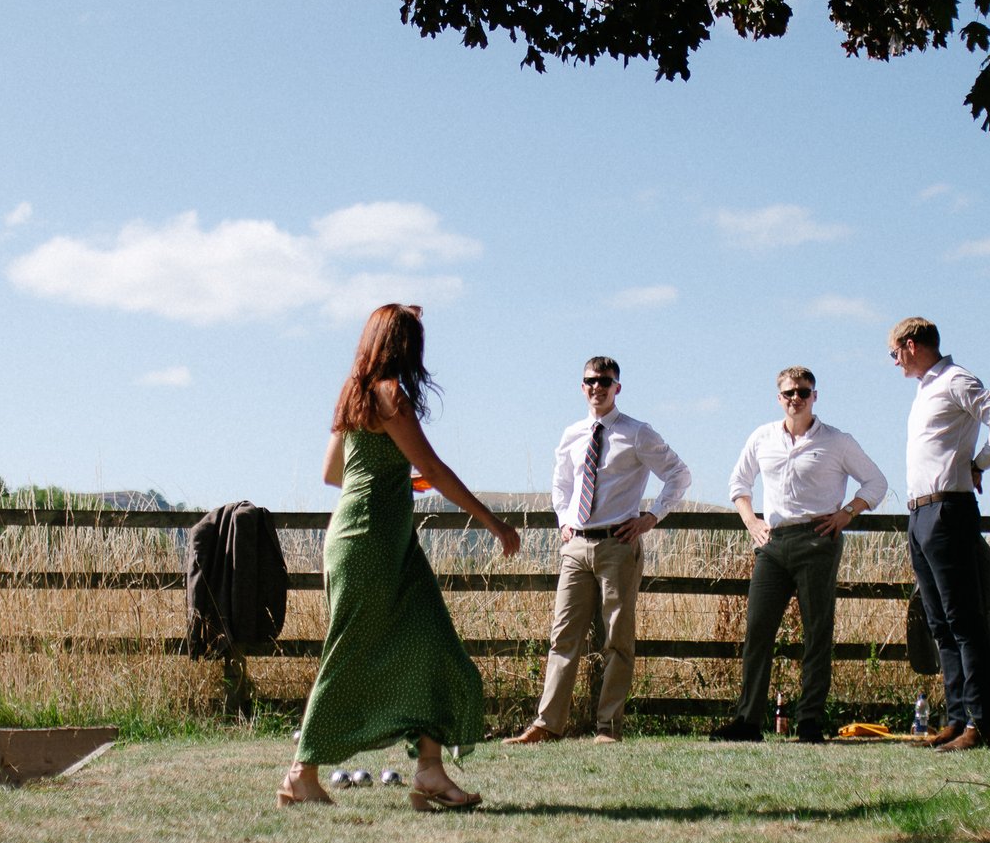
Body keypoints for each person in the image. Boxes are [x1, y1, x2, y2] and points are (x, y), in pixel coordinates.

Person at [281, 303, 521, 811]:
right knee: (349, 652)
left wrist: (391, 476)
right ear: (403, 346)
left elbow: (333, 474)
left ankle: (430, 771)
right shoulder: (391, 395)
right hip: (369, 540)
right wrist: (494, 522)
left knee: (432, 642)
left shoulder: (354, 397)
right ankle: (301, 773)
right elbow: (431, 466)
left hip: (380, 539)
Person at [507, 356, 692, 745]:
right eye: (591, 381)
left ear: (617, 387)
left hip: (618, 545)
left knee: (617, 639)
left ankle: (608, 727)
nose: (598, 387)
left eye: (606, 381)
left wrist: (651, 517)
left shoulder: (637, 433)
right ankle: (547, 725)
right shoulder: (572, 434)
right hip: (576, 547)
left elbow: (679, 474)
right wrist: (564, 521)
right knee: (563, 637)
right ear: (582, 386)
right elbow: (561, 486)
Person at [711, 366, 888, 744]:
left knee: (816, 633)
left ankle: (809, 722)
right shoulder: (762, 437)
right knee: (758, 631)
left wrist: (847, 513)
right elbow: (738, 483)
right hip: (773, 544)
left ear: (815, 396)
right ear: (779, 398)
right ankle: (748, 722)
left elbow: (876, 482)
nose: (796, 399)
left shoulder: (838, 441)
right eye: (789, 393)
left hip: (817, 540)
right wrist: (751, 521)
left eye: (803, 392)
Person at [889, 316, 990, 752]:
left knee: (964, 620)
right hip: (919, 514)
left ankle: (980, 724)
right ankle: (956, 718)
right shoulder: (924, 388)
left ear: (911, 344)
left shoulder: (956, 379)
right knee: (940, 624)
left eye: (894, 353)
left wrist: (980, 464)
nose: (894, 362)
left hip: (949, 510)